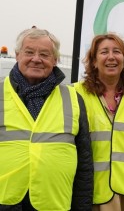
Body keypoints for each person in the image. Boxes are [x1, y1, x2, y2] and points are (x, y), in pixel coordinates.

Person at [0, 27, 93, 210]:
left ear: (55, 60)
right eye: (29, 52)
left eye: (45, 54)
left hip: (54, 203)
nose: (36, 59)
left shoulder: (74, 99)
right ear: (17, 55)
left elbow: (84, 165)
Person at [73, 33, 124, 211]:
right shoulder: (74, 94)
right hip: (90, 194)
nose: (111, 57)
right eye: (104, 52)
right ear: (94, 61)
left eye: (117, 51)